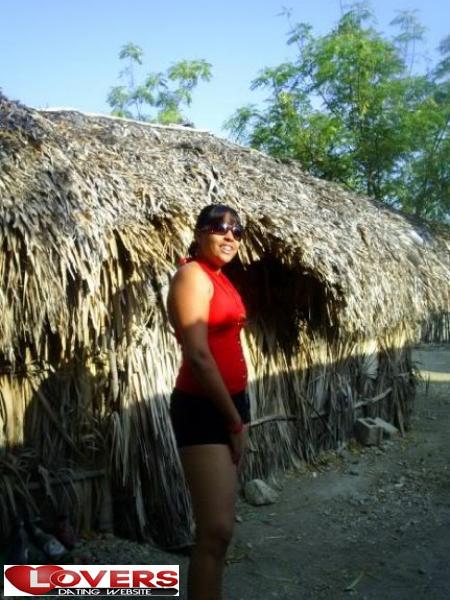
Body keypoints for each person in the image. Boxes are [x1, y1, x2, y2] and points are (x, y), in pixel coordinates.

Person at [167, 204, 249, 600]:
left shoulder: (219, 277)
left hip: (231, 405)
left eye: (237, 230)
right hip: (204, 409)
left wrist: (238, 412)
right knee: (214, 530)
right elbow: (199, 355)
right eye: (219, 227)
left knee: (222, 531)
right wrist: (233, 420)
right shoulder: (192, 276)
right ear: (200, 233)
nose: (230, 235)